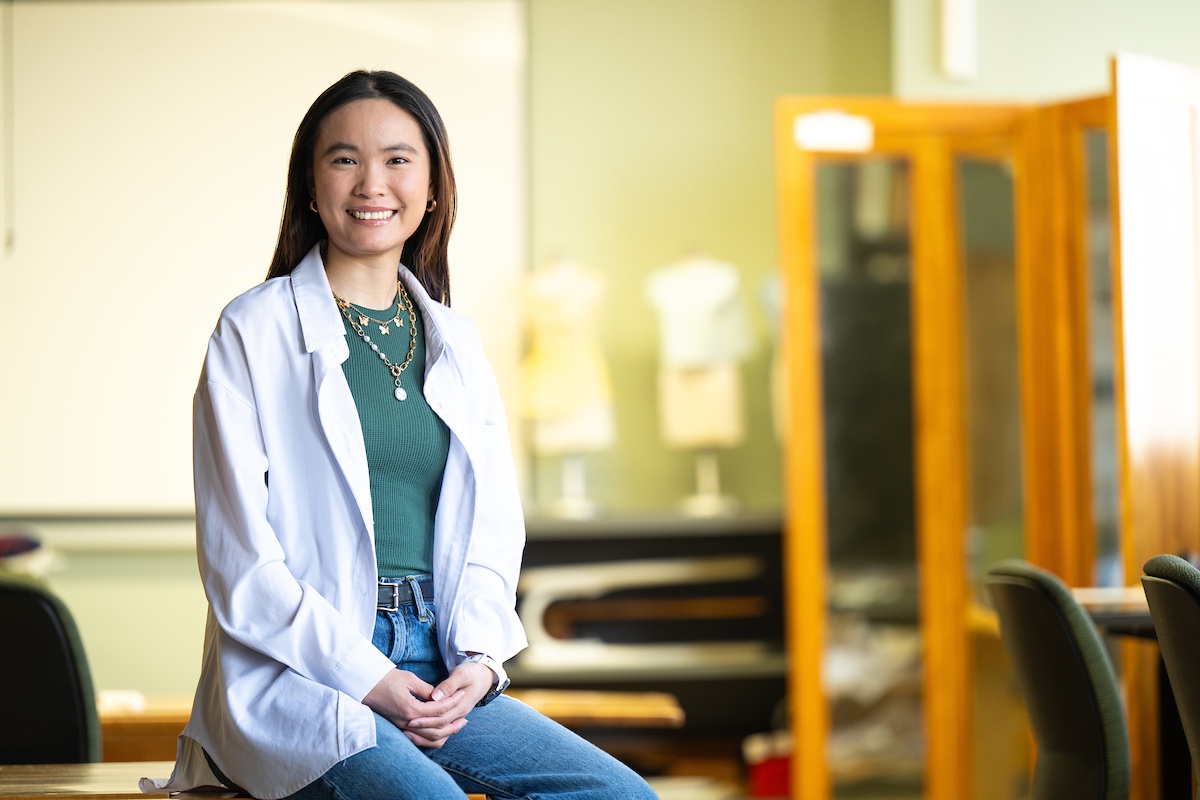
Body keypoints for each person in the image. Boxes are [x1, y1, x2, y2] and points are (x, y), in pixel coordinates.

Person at [141, 70, 658, 800]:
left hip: (439, 662)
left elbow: (491, 532)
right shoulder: (252, 330)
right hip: (305, 672)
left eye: (397, 159)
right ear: (311, 184)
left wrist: (481, 661)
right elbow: (241, 565)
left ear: (433, 185)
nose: (371, 184)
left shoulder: (457, 341)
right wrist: (368, 675)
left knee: (622, 796)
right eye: (344, 159)